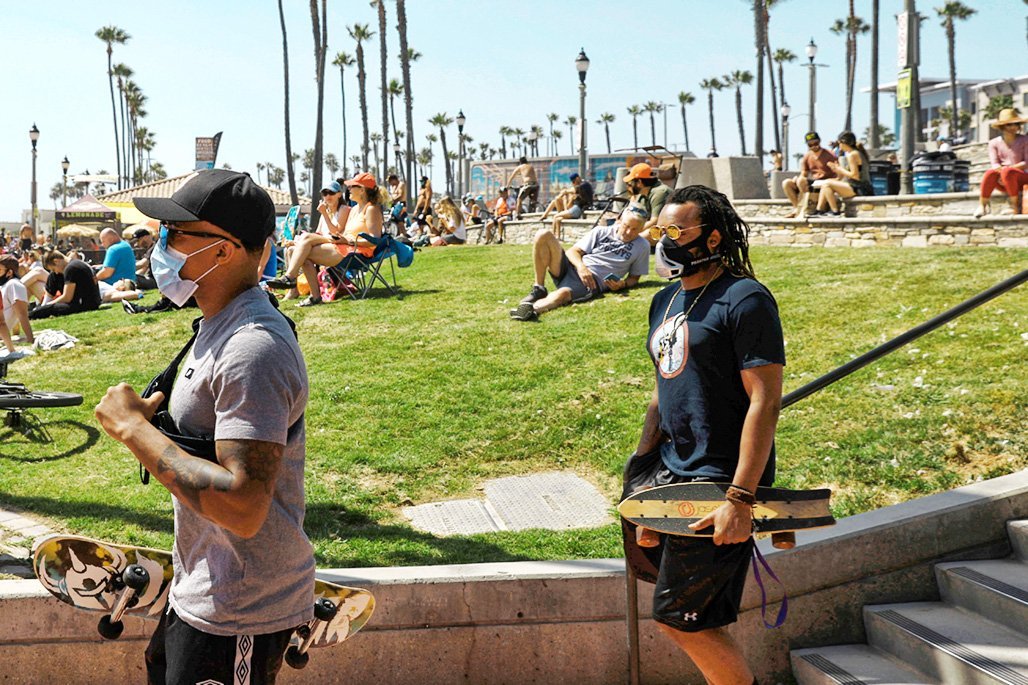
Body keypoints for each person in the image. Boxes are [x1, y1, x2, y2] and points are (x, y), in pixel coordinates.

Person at [92, 169, 313, 684]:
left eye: (175, 233)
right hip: (200, 594)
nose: (160, 245)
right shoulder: (218, 325)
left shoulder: (253, 348)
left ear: (223, 250)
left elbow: (243, 505)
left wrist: (132, 430)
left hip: (239, 611)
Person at [624, 184, 784, 685]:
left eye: (676, 231)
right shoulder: (664, 300)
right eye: (660, 231)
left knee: (680, 618)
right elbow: (663, 386)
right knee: (688, 614)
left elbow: (765, 400)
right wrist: (640, 463)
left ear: (712, 238)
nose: (664, 241)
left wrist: (740, 497)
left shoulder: (745, 298)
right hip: (669, 474)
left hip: (719, 480)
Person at [509, 202, 650, 322]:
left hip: (591, 282)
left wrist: (622, 284)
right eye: (626, 226)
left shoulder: (642, 246)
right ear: (620, 220)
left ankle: (531, 310)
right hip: (572, 267)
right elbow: (573, 251)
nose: (628, 232)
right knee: (543, 234)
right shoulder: (601, 231)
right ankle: (539, 288)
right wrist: (581, 267)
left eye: (634, 229)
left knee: (562, 295)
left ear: (642, 229)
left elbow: (634, 278)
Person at [267, 172, 384, 306]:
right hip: (344, 246)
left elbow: (375, 240)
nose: (349, 189)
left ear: (362, 190)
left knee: (302, 249)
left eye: (352, 186)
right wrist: (342, 239)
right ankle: (307, 291)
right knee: (300, 248)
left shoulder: (371, 209)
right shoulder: (355, 209)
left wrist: (348, 241)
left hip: (357, 252)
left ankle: (293, 280)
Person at [975, 108, 1028, 219]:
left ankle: (1014, 206)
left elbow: (1026, 162)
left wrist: (1007, 170)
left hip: (1022, 176)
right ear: (1002, 126)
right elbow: (994, 164)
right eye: (1009, 125)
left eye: (1016, 124)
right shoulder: (993, 143)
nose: (1013, 127)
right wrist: (1002, 172)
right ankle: (982, 205)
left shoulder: (1025, 140)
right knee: (990, 173)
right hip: (1003, 178)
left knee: (1008, 172)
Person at [812, 131, 874, 216]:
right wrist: (837, 170)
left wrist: (839, 169)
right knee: (825, 184)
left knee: (827, 184)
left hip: (860, 188)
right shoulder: (856, 153)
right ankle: (819, 210)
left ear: (843, 142)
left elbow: (855, 176)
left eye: (839, 143)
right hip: (860, 187)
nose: (839, 146)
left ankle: (835, 212)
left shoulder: (852, 155)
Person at [28, 250, 102, 320]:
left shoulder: (71, 268)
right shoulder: (73, 264)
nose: (56, 272)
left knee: (50, 308)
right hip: (85, 302)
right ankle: (39, 309)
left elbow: (67, 297)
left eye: (54, 269)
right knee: (53, 276)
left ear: (56, 261)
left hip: (85, 305)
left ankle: (30, 315)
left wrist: (48, 305)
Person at [781, 132, 838, 218]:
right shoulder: (807, 156)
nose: (814, 146)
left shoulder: (829, 154)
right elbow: (804, 173)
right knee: (787, 183)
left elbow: (837, 172)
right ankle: (797, 208)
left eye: (816, 143)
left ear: (819, 141)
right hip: (814, 181)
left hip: (826, 181)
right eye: (810, 145)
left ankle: (805, 207)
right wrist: (797, 178)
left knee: (801, 181)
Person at [545, 173, 594, 239]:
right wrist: (568, 198)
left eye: (574, 181)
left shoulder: (585, 184)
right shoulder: (577, 192)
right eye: (572, 182)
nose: (573, 183)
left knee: (556, 216)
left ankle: (552, 238)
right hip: (575, 209)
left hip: (579, 209)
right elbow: (569, 205)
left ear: (577, 178)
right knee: (557, 219)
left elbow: (575, 189)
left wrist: (565, 191)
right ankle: (557, 237)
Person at [0, 255, 33, 347]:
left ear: (9, 272)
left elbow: (22, 315)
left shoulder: (14, 285)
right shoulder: (5, 285)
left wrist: (30, 339)